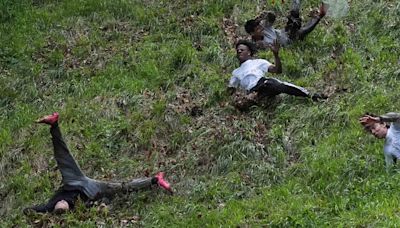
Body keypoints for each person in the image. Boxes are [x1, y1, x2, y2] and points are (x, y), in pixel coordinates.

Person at [24, 112, 172, 214]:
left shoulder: (50, 205)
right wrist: (102, 204)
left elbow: (35, 209)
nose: (61, 204)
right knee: (122, 187)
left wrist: (28, 210)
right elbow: (96, 203)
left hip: (74, 181)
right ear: (67, 207)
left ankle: (54, 125)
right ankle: (154, 180)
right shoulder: (73, 207)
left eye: (59, 205)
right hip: (91, 190)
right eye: (63, 207)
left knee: (63, 157)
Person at [228, 39, 325, 109]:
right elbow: (231, 89)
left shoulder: (258, 62)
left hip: (263, 84)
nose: (239, 51)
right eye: (237, 51)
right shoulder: (236, 72)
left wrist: (276, 55)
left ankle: (311, 95)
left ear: (249, 52)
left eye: (242, 50)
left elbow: (277, 70)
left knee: (280, 85)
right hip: (252, 91)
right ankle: (261, 101)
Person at [244, 0, 327, 48]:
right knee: (299, 30)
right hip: (288, 40)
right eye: (258, 29)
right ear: (252, 33)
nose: (261, 28)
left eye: (259, 26)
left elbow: (272, 18)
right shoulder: (257, 44)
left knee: (294, 15)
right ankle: (319, 15)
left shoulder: (264, 27)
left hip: (285, 31)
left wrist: (266, 15)